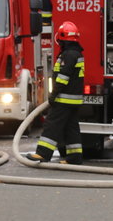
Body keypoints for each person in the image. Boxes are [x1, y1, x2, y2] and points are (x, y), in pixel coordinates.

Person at [26, 21, 85, 165]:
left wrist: (53, 94)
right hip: (74, 100)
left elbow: (63, 78)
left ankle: (43, 154)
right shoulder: (76, 54)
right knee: (71, 128)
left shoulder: (68, 55)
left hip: (64, 99)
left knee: (52, 125)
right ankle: (74, 158)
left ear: (62, 38)